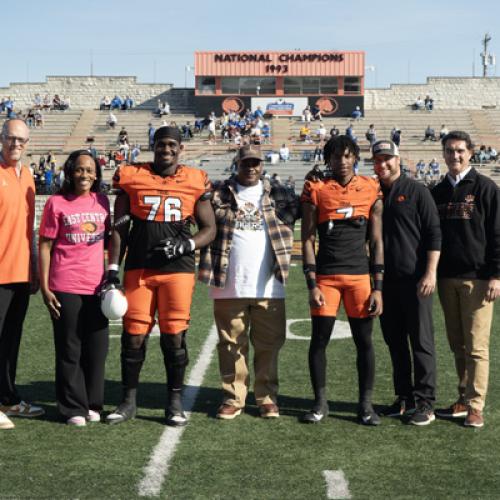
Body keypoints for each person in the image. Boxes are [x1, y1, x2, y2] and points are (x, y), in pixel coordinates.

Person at [104, 126, 216, 427]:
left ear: (180, 148)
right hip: (139, 267)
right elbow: (119, 229)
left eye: (171, 145)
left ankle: (174, 401)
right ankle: (128, 401)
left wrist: (187, 244)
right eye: (160, 145)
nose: (166, 150)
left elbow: (210, 228)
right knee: (133, 337)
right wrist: (113, 271)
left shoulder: (195, 180)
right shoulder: (132, 175)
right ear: (152, 146)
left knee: (175, 337)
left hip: (177, 271)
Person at [198, 145, 300, 419]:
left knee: (269, 345)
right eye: (246, 163)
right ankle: (233, 397)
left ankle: (266, 396)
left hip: (269, 284)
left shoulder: (281, 193)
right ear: (237, 164)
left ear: (262, 165)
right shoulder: (219, 193)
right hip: (228, 281)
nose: (251, 167)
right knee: (231, 346)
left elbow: (304, 211)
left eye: (256, 162)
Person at [300, 135, 384, 425]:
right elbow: (308, 238)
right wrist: (311, 284)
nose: (343, 161)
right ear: (329, 159)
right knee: (319, 340)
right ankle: (320, 403)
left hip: (360, 277)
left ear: (356, 158)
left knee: (364, 341)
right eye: (337, 156)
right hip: (326, 277)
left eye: (348, 156)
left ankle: (365, 405)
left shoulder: (371, 187)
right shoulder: (316, 187)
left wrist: (378, 287)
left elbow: (376, 240)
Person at [432, 130, 500, 428]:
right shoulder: (438, 192)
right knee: (457, 344)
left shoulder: (486, 188)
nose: (454, 156)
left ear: (471, 152)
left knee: (476, 347)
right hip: (447, 278)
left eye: (460, 150)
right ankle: (462, 397)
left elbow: (498, 233)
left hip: (479, 279)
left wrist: (496, 274)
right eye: (449, 151)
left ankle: (475, 405)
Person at [372, 140, 441, 425]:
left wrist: (430, 272)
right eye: (379, 160)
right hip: (384, 282)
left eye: (388, 159)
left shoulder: (417, 191)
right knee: (395, 341)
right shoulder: (372, 192)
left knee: (421, 341)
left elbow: (434, 233)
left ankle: (425, 402)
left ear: (398, 160)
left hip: (415, 280)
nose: (384, 164)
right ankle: (404, 397)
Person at [39, 150, 110, 426]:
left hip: (97, 287)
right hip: (64, 284)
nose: (85, 175)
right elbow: (45, 245)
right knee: (70, 348)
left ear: (96, 174)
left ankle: (92, 403)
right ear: (70, 173)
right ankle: (72, 408)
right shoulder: (56, 203)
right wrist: (45, 287)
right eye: (79, 170)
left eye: (90, 170)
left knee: (97, 347)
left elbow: (107, 244)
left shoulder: (102, 201)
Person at [0, 119, 44, 430]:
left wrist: (34, 268)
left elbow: (27, 229)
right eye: (11, 138)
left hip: (20, 271)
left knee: (11, 340)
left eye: (22, 140)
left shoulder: (27, 175)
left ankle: (9, 399)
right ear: (1, 138)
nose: (17, 144)